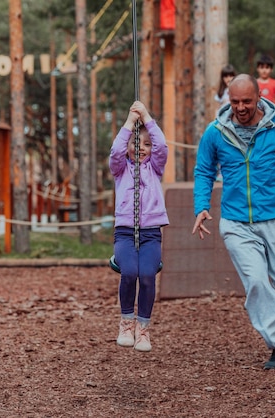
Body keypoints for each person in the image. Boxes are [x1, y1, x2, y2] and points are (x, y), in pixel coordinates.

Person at [191, 74, 275, 369]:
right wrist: (201, 207)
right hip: (236, 222)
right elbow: (204, 171)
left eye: (247, 101)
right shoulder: (215, 132)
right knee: (257, 282)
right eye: (235, 101)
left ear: (259, 97)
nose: (241, 107)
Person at [109, 100, 169, 352]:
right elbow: (115, 151)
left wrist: (146, 117)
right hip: (125, 231)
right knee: (130, 273)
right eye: (137, 143)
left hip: (151, 233)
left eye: (146, 144)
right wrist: (130, 123)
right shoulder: (120, 168)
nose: (141, 148)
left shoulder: (155, 168)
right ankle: (126, 323)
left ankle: (143, 330)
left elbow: (163, 147)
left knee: (147, 276)